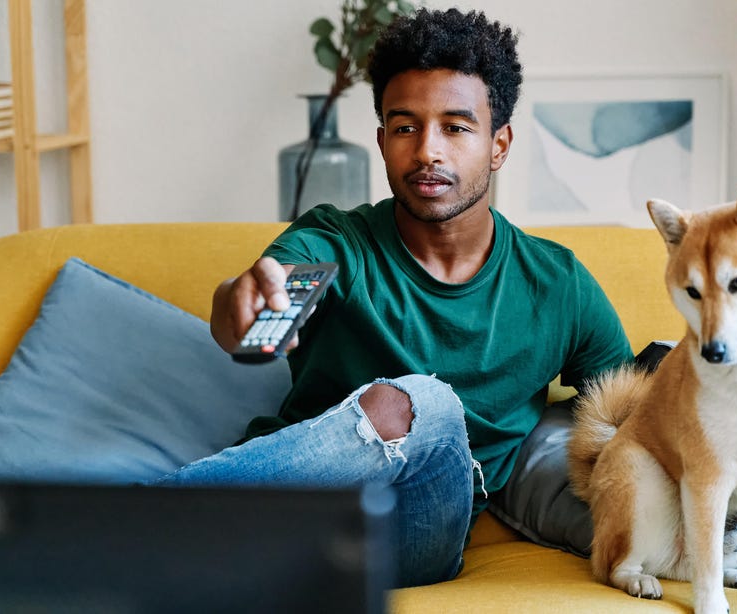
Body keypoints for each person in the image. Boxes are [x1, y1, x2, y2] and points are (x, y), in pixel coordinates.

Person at [154, 8, 635, 588]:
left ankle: (135, 523)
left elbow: (630, 419)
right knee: (412, 399)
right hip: (292, 506)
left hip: (414, 535)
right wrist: (240, 301)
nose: (428, 150)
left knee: (423, 402)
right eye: (405, 127)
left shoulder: (557, 285)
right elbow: (254, 308)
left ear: (498, 144)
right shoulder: (337, 240)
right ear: (382, 141)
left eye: (456, 128)